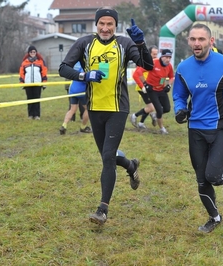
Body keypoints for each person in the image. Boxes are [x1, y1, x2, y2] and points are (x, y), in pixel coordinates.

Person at [58, 6, 153, 225]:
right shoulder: (84, 43)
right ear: (96, 24)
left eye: (110, 24)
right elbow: (63, 68)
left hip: (117, 108)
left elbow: (147, 65)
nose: (105, 28)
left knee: (108, 157)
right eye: (102, 23)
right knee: (106, 156)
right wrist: (84, 74)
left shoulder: (124, 43)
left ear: (115, 26)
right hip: (94, 107)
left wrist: (141, 43)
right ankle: (130, 166)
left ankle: (102, 210)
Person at [172, 23, 223, 233]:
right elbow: (179, 95)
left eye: (201, 39)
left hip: (220, 127)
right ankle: (215, 217)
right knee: (201, 180)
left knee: (213, 176)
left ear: (211, 41)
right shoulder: (183, 67)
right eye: (193, 39)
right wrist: (180, 109)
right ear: (188, 41)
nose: (196, 43)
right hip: (195, 128)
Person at [133, 49, 174, 134]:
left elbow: (171, 77)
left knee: (167, 109)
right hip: (152, 90)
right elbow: (138, 71)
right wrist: (145, 84)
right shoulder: (153, 62)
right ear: (161, 56)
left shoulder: (169, 66)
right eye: (166, 57)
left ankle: (153, 115)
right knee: (158, 109)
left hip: (161, 89)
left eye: (170, 57)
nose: (168, 59)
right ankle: (162, 128)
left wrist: (169, 85)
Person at [130, 45, 159, 129]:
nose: (155, 56)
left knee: (151, 107)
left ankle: (141, 123)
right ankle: (135, 116)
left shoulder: (154, 63)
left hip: (149, 88)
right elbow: (136, 75)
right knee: (151, 107)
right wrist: (142, 86)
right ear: (149, 54)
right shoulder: (145, 63)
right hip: (142, 88)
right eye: (153, 54)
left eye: (156, 54)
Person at [59, 62, 92, 135]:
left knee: (72, 109)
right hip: (81, 91)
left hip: (73, 89)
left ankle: (64, 125)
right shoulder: (87, 65)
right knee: (88, 109)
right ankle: (83, 127)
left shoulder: (76, 64)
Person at [19, 45, 48, 120]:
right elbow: (22, 73)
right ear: (28, 53)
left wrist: (44, 83)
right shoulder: (24, 62)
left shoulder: (40, 62)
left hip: (37, 84)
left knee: (37, 99)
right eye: (31, 52)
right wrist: (22, 83)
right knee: (29, 99)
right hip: (28, 84)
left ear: (36, 52)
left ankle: (37, 115)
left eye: (34, 52)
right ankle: (30, 115)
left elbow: (44, 72)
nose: (33, 53)